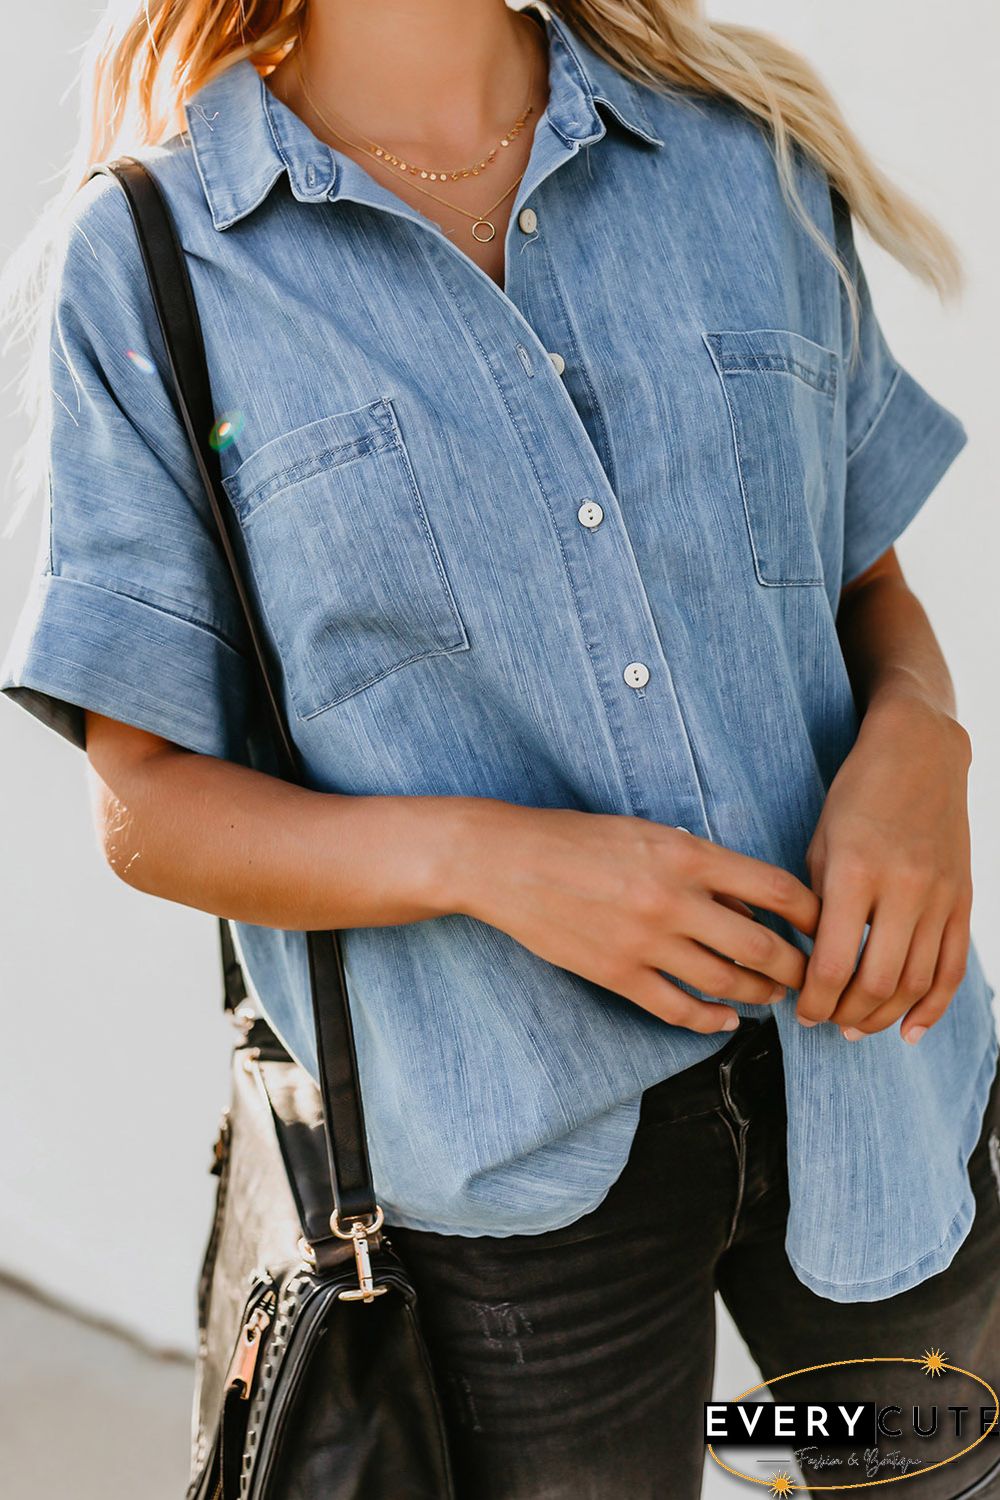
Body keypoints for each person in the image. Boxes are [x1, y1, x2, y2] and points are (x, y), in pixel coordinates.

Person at [3, 0, 998, 1495]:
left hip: (881, 1072)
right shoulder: (154, 263)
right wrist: (492, 863)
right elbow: (147, 800)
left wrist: (924, 747)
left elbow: (862, 583)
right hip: (504, 1161)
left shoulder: (745, 156)